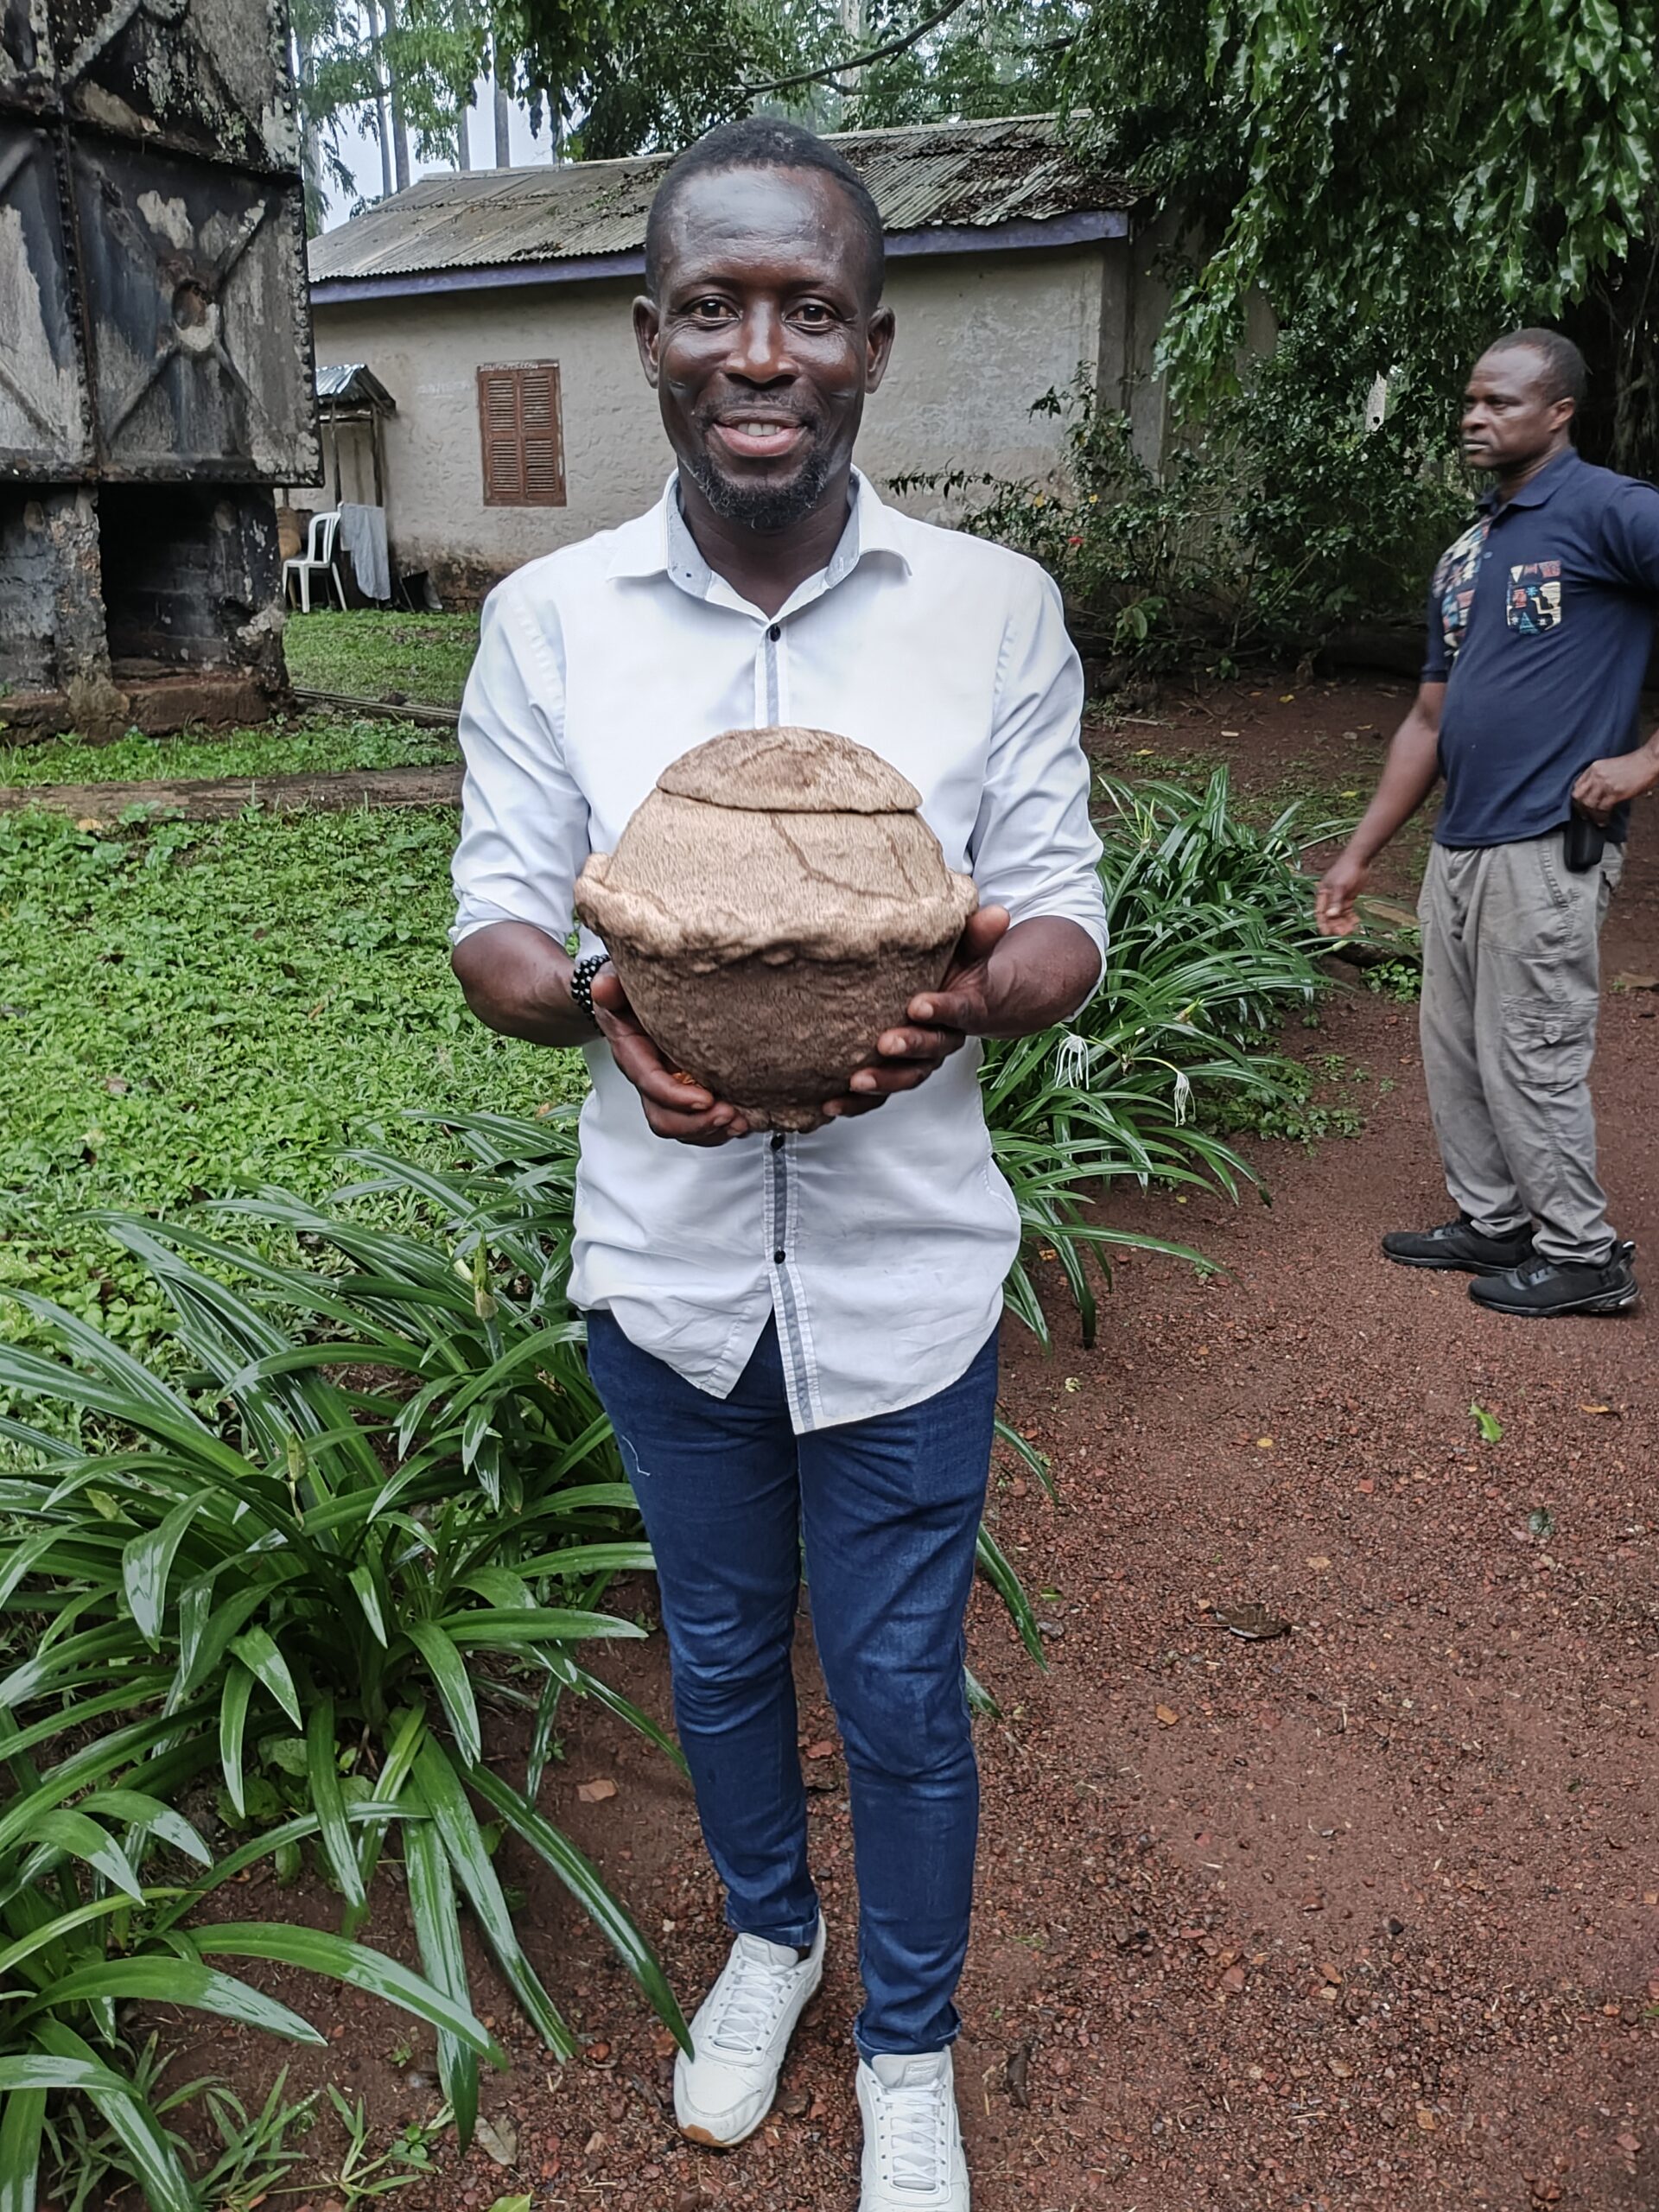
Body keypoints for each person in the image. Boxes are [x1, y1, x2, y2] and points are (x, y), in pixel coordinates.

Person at [448, 118, 1108, 2211]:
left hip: (909, 1263)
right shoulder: (550, 620)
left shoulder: (992, 611)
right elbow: (495, 920)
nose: (762, 348)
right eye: (717, 306)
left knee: (901, 1677)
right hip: (668, 1268)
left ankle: (906, 2038)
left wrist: (989, 991)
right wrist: (591, 1011)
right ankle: (773, 1935)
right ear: (650, 336)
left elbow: (1064, 913)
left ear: (870, 346)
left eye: (806, 310)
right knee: (722, 1654)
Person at [1316, 327, 1659, 1318]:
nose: (1476, 417)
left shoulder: (1609, 510)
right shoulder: (1472, 550)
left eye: (1502, 402)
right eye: (1471, 400)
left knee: (1531, 1047)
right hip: (1462, 841)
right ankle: (1497, 1217)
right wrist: (1358, 854)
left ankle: (1585, 1255)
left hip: (1549, 846)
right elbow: (1429, 716)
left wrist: (1641, 761)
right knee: (1456, 1044)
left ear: (1559, 413)